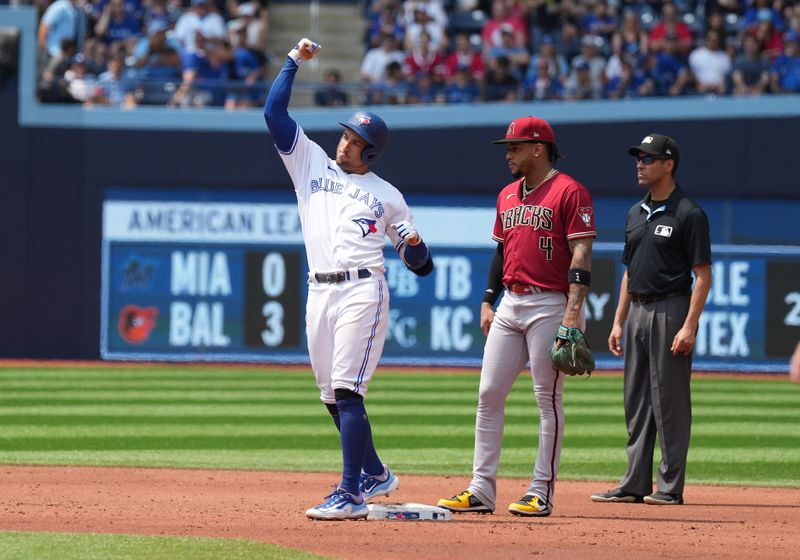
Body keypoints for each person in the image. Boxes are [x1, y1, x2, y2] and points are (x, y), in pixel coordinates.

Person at [264, 38, 434, 520]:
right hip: (319, 289)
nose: (346, 143)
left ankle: (352, 494)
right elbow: (274, 116)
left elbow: (420, 266)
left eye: (357, 142)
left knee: (347, 391)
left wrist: (416, 245)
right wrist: (293, 61)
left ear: (372, 153)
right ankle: (376, 473)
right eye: (346, 135)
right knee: (329, 397)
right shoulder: (311, 162)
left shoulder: (387, 197)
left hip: (363, 288)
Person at [438, 116, 596, 517]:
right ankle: (481, 490)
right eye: (508, 147)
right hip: (511, 302)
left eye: (515, 147)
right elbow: (500, 251)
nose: (508, 154)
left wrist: (573, 314)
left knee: (547, 397)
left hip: (551, 303)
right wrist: (488, 300)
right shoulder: (507, 194)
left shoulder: (570, 191)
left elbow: (581, 255)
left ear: (538, 148)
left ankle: (540, 490)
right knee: (489, 394)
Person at [592, 133, 711, 507]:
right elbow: (629, 271)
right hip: (638, 311)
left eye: (648, 158)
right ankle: (633, 483)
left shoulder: (688, 213)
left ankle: (670, 486)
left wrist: (689, 324)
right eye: (639, 158)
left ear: (668, 164)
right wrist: (617, 320)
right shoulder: (635, 212)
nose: (640, 164)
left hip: (671, 309)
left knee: (670, 401)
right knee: (636, 400)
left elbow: (703, 275)